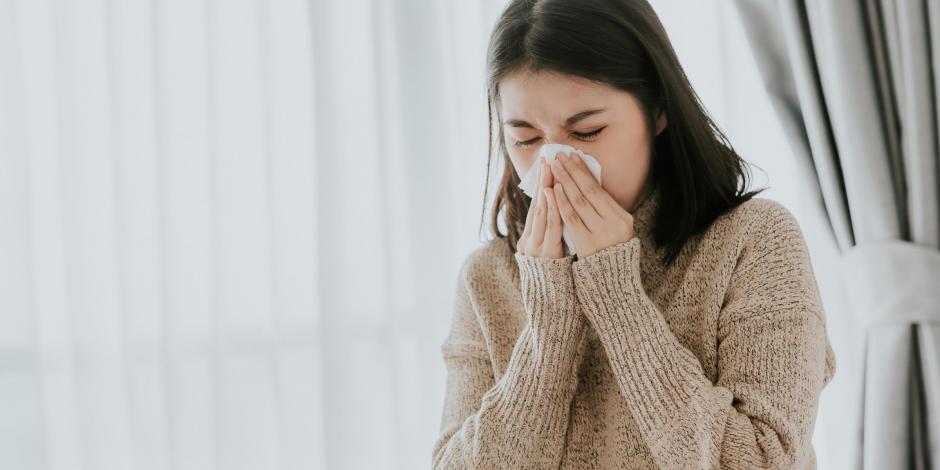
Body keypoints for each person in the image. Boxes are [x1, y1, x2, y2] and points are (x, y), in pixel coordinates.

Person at [431, 0, 837, 468]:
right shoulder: (486, 278)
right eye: (525, 138)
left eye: (587, 131)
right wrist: (550, 319)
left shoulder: (755, 242)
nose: (555, 163)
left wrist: (617, 296)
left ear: (658, 110)